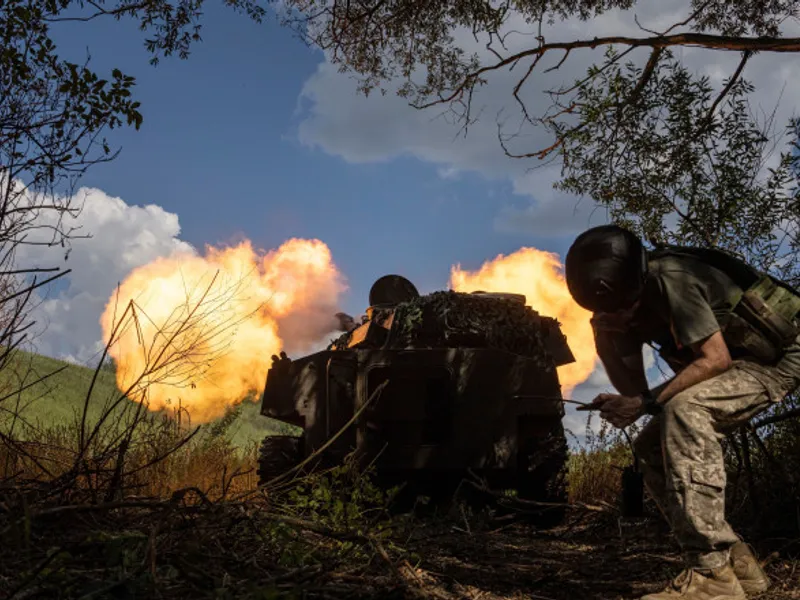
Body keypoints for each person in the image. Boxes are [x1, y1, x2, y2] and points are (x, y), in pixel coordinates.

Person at [564, 225, 800, 600]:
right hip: (740, 361)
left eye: (623, 306)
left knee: (685, 410)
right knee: (649, 445)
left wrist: (645, 403)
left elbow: (716, 360)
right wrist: (606, 336)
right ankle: (738, 565)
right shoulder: (619, 306)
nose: (620, 313)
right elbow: (631, 389)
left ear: (636, 286)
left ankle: (711, 575)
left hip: (780, 357)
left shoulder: (672, 279)